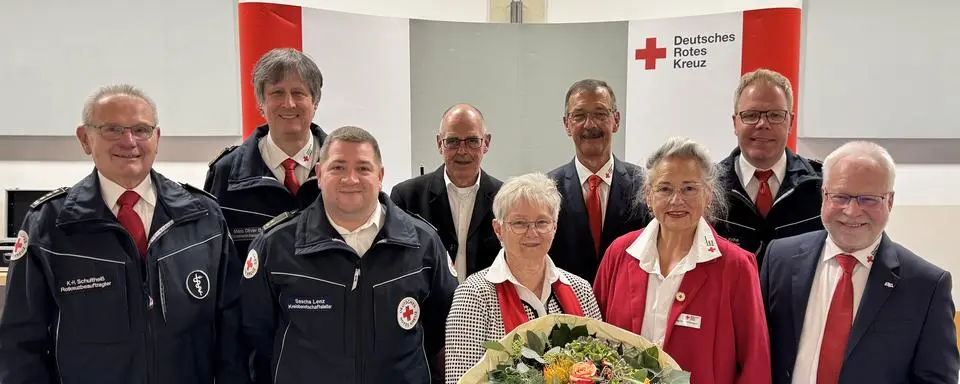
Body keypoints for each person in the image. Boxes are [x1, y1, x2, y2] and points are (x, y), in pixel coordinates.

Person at [0, 84, 244, 383]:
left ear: (157, 138)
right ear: (85, 139)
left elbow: (232, 329)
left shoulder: (203, 216)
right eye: (112, 129)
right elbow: (20, 343)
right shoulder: (49, 225)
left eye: (141, 129)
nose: (129, 141)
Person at [241, 126, 458, 384]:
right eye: (338, 168)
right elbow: (256, 338)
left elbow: (445, 334)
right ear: (320, 175)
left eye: (363, 168)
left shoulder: (423, 244)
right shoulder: (275, 246)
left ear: (380, 176)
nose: (351, 179)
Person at [761, 141, 958, 383]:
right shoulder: (779, 258)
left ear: (890, 201)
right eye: (841, 196)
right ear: (824, 196)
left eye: (869, 199)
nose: (852, 211)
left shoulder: (926, 286)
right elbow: (756, 351)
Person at [594, 137, 771, 383]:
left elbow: (755, 364)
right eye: (665, 188)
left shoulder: (736, 267)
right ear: (649, 195)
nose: (677, 200)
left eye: (689, 188)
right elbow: (591, 339)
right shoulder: (619, 254)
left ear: (708, 195)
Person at [444, 172, 602, 382]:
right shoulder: (473, 295)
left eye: (542, 222)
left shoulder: (580, 289)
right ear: (498, 229)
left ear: (555, 226)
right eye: (519, 223)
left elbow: (601, 366)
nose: (532, 232)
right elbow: (460, 379)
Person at [204, 47, 328, 256]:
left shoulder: (346, 168)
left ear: (315, 103)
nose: (289, 103)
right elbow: (215, 255)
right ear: (261, 104)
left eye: (298, 93)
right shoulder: (226, 172)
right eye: (277, 93)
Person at [715, 68, 823, 266]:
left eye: (775, 115)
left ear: (791, 122)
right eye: (751, 115)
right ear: (735, 123)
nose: (763, 124)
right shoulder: (707, 189)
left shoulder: (822, 187)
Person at [548, 79, 648, 284]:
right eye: (579, 116)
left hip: (625, 308)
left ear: (616, 120)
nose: (590, 124)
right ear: (567, 124)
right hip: (566, 310)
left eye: (600, 114)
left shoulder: (646, 186)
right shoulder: (547, 189)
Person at [391, 104, 503, 282]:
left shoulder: (504, 198)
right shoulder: (406, 197)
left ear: (486, 143)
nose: (462, 151)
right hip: (427, 306)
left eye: (473, 141)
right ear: (439, 144)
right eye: (452, 141)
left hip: (486, 307)